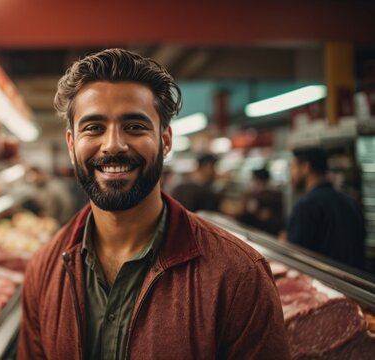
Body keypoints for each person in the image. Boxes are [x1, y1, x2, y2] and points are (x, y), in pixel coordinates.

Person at [18, 48, 290, 359]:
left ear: (165, 141)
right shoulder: (44, 271)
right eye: (94, 128)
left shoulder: (239, 276)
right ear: (71, 145)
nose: (113, 145)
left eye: (134, 127)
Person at [287, 147, 366, 270]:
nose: (291, 173)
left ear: (306, 167)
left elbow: (297, 255)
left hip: (323, 282)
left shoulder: (306, 205)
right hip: (354, 283)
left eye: (293, 167)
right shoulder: (350, 201)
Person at [238, 167, 285, 236]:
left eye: (253, 179)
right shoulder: (277, 195)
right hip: (269, 236)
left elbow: (245, 215)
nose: (251, 183)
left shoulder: (257, 198)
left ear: (259, 181)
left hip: (260, 236)